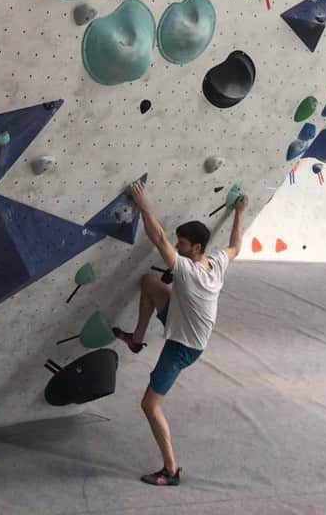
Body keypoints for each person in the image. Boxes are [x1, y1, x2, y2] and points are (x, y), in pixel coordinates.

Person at [112, 180, 247, 486]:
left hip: (183, 346)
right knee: (149, 282)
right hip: (181, 315)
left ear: (195, 248)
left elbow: (157, 237)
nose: (177, 248)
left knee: (149, 405)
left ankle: (170, 469)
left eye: (182, 244)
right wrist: (239, 213)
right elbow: (236, 245)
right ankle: (136, 338)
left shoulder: (188, 270)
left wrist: (142, 202)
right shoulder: (216, 263)